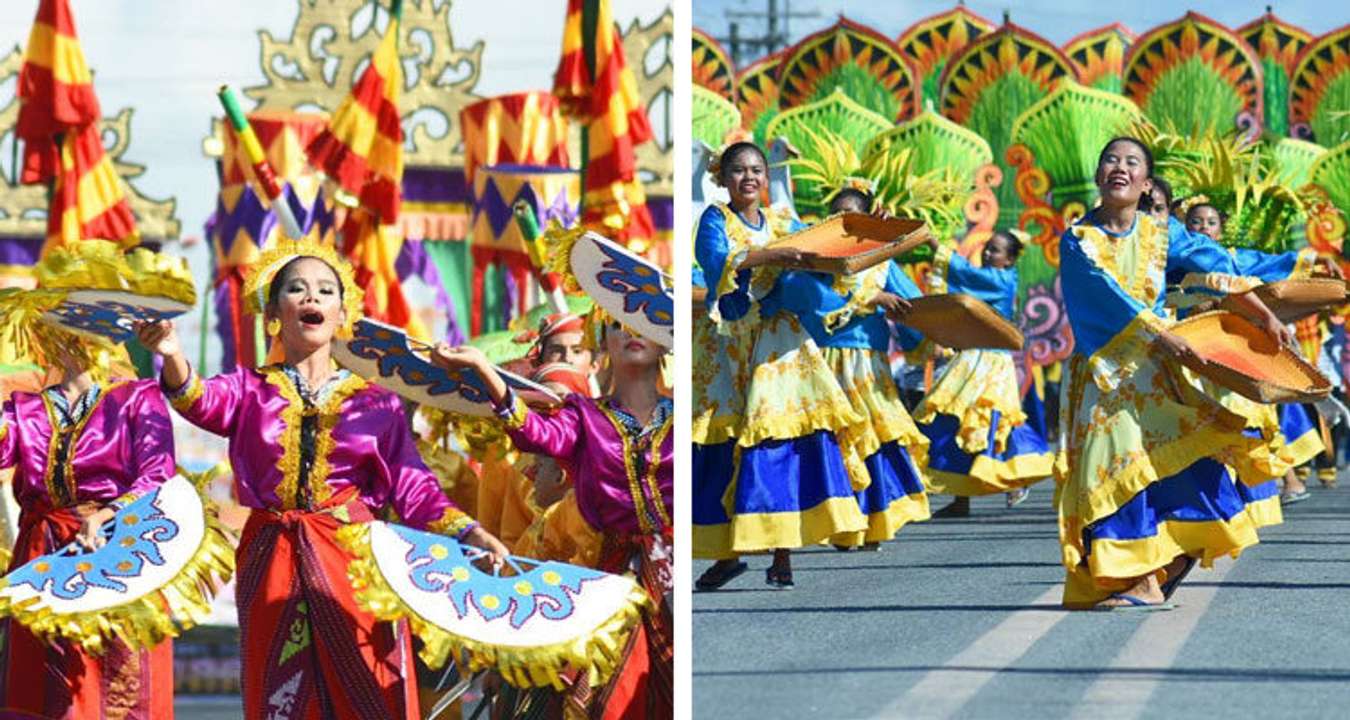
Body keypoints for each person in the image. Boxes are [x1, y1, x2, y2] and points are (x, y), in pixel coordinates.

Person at [136, 239, 508, 719]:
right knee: (281, 690)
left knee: (369, 684)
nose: (311, 298)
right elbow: (198, 399)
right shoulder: (250, 388)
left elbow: (413, 485)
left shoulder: (378, 403)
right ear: (274, 312)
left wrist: (469, 531)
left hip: (354, 559)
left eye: (325, 290)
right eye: (296, 289)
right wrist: (171, 353)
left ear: (342, 313)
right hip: (272, 554)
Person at [1057, 137, 1292, 609]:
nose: (1119, 168)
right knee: (1115, 467)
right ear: (1099, 176)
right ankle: (1139, 572)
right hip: (1108, 374)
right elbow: (1104, 297)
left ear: (1145, 183)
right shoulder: (1078, 239)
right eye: (1110, 160)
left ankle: (1165, 563)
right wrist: (1163, 337)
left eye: (1132, 163)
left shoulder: (1161, 233)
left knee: (1180, 458)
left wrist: (1261, 312)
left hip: (1162, 370)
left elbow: (1216, 268)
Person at [433, 318, 672, 719]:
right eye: (617, 324)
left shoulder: (685, 416)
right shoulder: (583, 417)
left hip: (671, 578)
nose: (632, 331)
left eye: (646, 321)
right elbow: (534, 435)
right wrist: (484, 371)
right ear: (603, 346)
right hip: (608, 582)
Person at [0, 241, 195, 718]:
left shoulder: (136, 398)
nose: (73, 334)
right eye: (63, 317)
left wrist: (106, 516)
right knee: (46, 694)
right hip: (44, 555)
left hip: (117, 553)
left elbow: (158, 477)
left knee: (115, 691)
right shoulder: (22, 409)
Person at [692, 141, 867, 590]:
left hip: (779, 346)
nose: (748, 177)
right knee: (727, 447)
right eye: (738, 170)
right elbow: (717, 264)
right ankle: (729, 554)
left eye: (756, 170)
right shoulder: (716, 220)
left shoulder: (784, 222)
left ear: (766, 178)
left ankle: (782, 553)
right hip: (730, 346)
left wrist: (868, 233)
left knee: (777, 436)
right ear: (722, 177)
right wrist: (773, 255)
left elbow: (827, 250)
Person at [768, 186, 931, 551]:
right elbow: (798, 293)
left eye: (852, 218)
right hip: (823, 362)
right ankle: (842, 525)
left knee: (872, 438)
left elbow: (912, 306)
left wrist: (934, 332)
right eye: (837, 218)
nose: (844, 226)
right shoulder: (816, 258)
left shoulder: (884, 261)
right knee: (833, 440)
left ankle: (873, 521)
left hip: (867, 363)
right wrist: (870, 298)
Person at [914, 230, 1054, 517]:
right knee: (957, 423)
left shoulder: (1001, 281)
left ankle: (1016, 477)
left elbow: (965, 275)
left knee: (994, 422)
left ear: (1010, 260)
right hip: (970, 359)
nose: (989, 254)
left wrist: (934, 243)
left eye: (996, 250)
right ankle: (961, 499)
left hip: (992, 362)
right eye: (988, 248)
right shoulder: (994, 277)